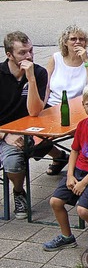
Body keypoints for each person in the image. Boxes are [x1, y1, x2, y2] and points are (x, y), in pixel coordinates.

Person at [42, 83, 88, 256]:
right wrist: (70, 175)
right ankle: (67, 236)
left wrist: (84, 183)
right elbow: (75, 150)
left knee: (83, 210)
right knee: (55, 202)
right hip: (78, 170)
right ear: (83, 104)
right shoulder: (83, 125)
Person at [0, 31, 48, 219]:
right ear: (9, 55)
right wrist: (5, 134)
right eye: (22, 53)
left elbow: (35, 111)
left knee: (16, 158)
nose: (28, 56)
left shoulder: (38, 73)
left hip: (27, 130)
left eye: (31, 51)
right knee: (14, 156)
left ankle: (18, 192)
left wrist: (31, 80)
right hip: (5, 132)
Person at [45, 26, 88, 175]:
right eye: (73, 39)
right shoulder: (56, 58)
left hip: (80, 108)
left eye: (81, 39)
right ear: (65, 42)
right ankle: (59, 156)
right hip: (53, 105)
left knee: (86, 135)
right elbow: (46, 86)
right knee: (35, 140)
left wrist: (85, 60)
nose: (77, 42)